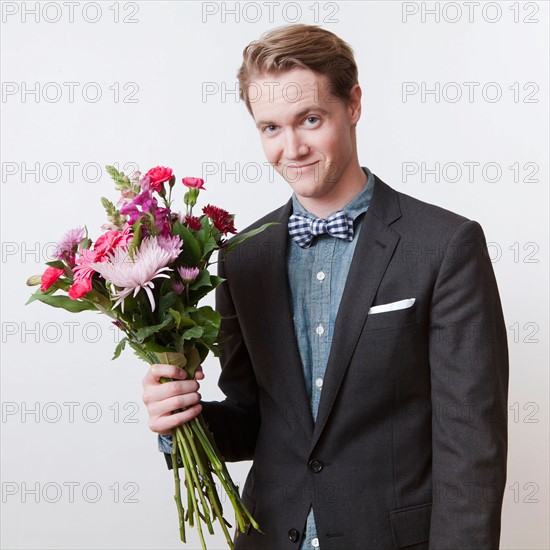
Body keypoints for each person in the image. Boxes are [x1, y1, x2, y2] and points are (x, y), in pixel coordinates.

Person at [142, 24, 508, 550]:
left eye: (310, 120)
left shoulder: (446, 246)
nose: (291, 148)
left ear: (353, 104)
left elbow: (472, 449)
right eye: (270, 128)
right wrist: (180, 418)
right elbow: (255, 421)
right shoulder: (241, 257)